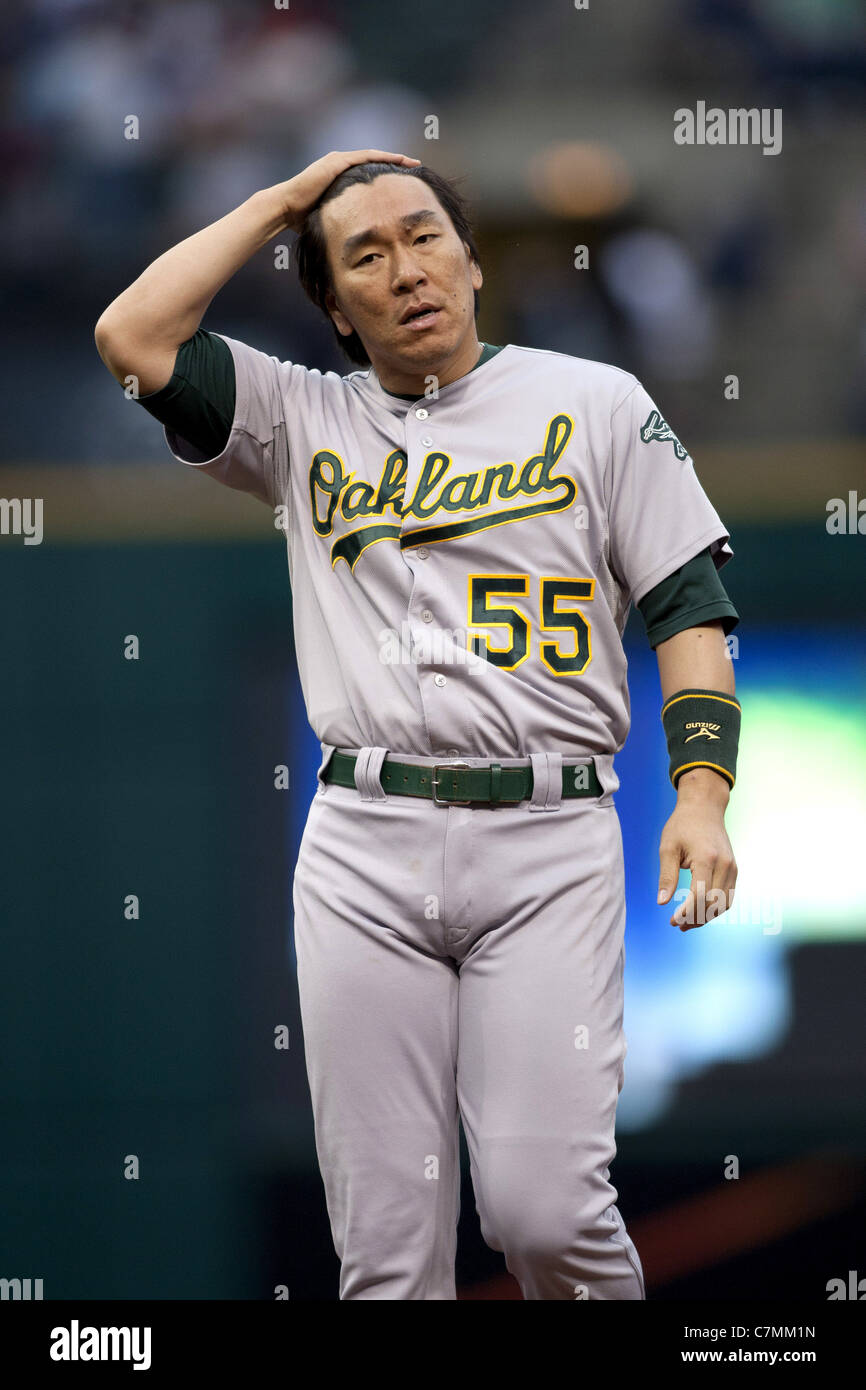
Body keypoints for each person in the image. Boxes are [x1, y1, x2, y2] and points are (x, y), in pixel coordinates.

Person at [94, 149, 741, 1301]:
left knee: (543, 1216)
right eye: (365, 255)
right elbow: (133, 337)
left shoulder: (593, 401)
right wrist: (279, 203)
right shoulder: (301, 414)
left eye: (425, 235)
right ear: (335, 309)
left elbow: (686, 605)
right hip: (362, 841)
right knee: (386, 1259)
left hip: (547, 836)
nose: (406, 268)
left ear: (474, 259)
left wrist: (699, 793)